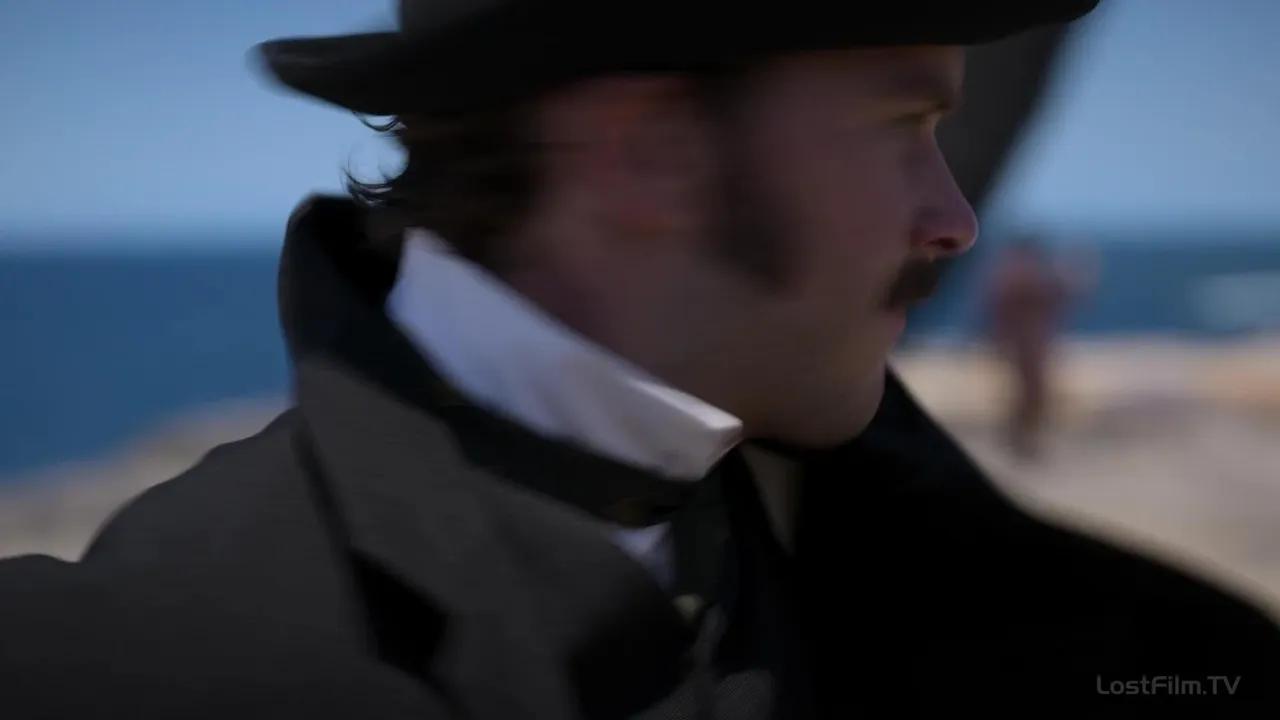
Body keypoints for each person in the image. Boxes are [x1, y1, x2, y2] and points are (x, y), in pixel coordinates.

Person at [2, 1, 1278, 717]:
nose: (954, 218)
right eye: (901, 123)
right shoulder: (132, 671)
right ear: (645, 152)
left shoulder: (1041, 610)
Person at [986, 236, 1091, 458]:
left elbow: (1061, 301)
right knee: (1027, 394)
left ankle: (1027, 440)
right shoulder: (1013, 282)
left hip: (1035, 346)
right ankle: (1020, 440)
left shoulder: (1028, 282)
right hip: (1022, 347)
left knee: (1037, 395)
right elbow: (997, 315)